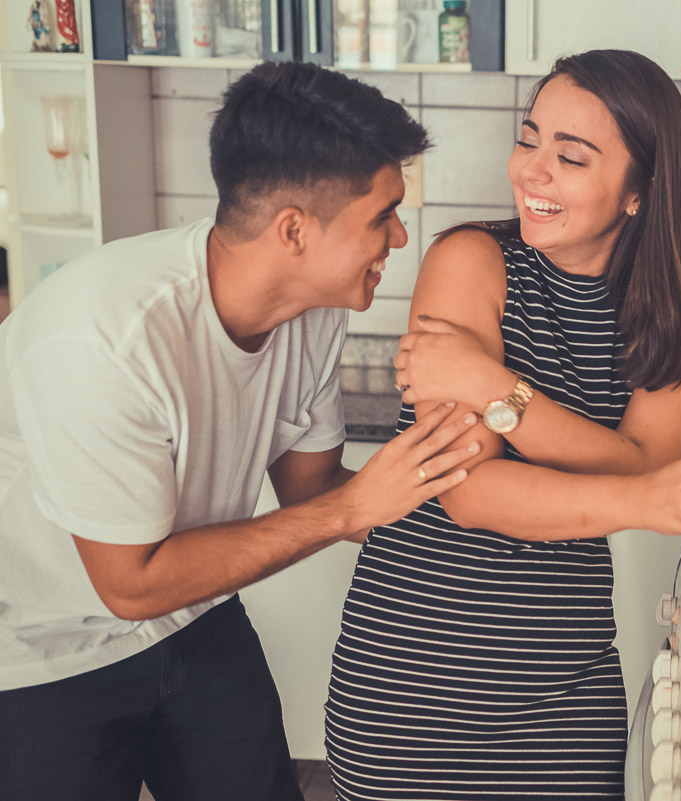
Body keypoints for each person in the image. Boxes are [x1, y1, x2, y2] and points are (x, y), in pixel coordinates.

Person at [0, 61, 479, 801]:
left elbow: (311, 488)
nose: (401, 235)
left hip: (195, 619)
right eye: (382, 213)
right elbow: (130, 584)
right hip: (43, 653)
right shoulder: (105, 340)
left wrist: (469, 485)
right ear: (293, 229)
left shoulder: (317, 309)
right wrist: (357, 508)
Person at [324, 50, 681, 800]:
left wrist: (495, 388)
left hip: (565, 691)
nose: (531, 171)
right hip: (411, 685)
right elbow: (469, 493)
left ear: (639, 192)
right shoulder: (470, 263)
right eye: (529, 140)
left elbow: (647, 461)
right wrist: (638, 486)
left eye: (570, 156)